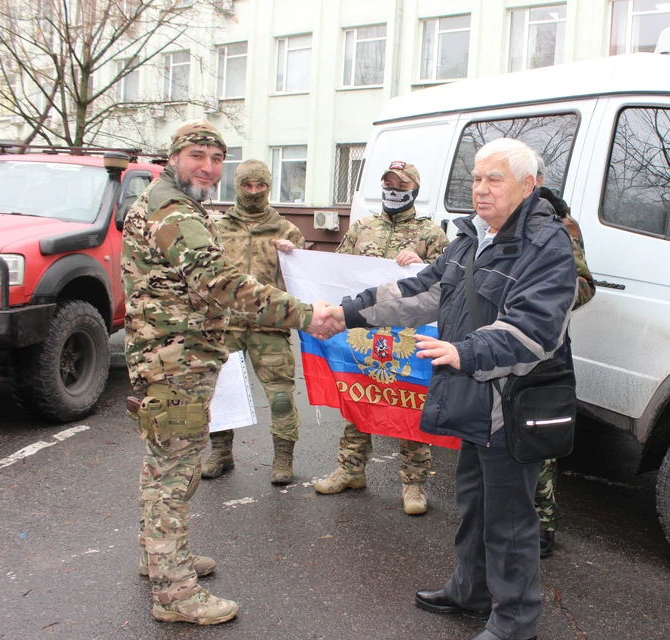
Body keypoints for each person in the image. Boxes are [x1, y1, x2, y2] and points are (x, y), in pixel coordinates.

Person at [317, 138, 577, 640]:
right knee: (475, 501)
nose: (480, 189)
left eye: (493, 179)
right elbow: (422, 292)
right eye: (476, 179)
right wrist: (347, 312)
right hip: (471, 397)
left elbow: (537, 329)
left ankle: (516, 621)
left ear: (528, 185)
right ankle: (471, 590)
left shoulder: (546, 244)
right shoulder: (470, 238)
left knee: (510, 517)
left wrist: (468, 351)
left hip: (510, 401)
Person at [123, 120, 329, 625]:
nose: (209, 168)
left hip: (173, 357)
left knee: (163, 464)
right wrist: (305, 314)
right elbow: (220, 282)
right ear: (174, 157)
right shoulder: (172, 210)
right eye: (198, 156)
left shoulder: (173, 202)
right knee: (174, 471)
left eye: (217, 160)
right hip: (176, 362)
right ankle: (174, 594)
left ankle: (159, 556)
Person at [313, 160, 449, 515]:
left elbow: (448, 284)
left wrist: (421, 263)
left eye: (400, 186)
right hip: (363, 331)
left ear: (413, 191)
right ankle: (350, 469)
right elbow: (336, 273)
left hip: (408, 334)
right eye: (387, 184)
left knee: (409, 405)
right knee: (359, 395)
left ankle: (414, 485)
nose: (392, 191)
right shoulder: (362, 228)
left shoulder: (432, 235)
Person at [202, 160, 307, 485]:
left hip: (270, 327)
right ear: (237, 186)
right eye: (247, 186)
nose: (253, 192)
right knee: (220, 392)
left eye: (260, 186)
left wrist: (292, 254)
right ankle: (221, 452)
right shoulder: (216, 228)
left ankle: (283, 458)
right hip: (225, 326)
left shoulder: (286, 231)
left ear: (269, 187)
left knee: (279, 396)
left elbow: (301, 280)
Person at [533, 157, 596, 558]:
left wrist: (543, 298)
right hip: (494, 349)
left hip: (545, 351)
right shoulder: (489, 222)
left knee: (540, 435)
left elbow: (585, 287)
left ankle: (541, 523)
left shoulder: (562, 224)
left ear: (536, 181)